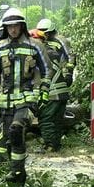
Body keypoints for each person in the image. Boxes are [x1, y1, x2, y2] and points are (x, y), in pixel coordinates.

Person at [0, 8, 50, 187]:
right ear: (5, 28)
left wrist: (44, 90)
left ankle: (16, 170)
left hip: (27, 98)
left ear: (22, 26)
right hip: (6, 100)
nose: (13, 29)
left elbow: (47, 70)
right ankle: (18, 174)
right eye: (9, 26)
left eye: (16, 26)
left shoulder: (35, 45)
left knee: (16, 129)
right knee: (9, 137)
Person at [34, 18, 75, 152]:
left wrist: (69, 72)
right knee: (57, 119)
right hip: (59, 86)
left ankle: (51, 145)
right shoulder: (45, 47)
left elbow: (70, 56)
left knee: (47, 118)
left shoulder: (60, 40)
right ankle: (55, 144)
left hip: (54, 88)